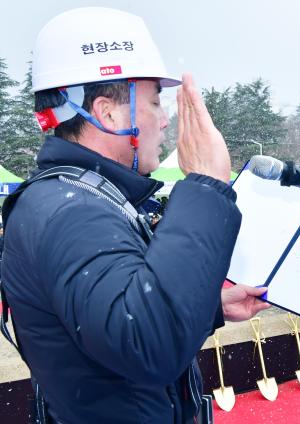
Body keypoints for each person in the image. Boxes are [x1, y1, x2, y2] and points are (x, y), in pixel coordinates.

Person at [1, 8, 268, 424]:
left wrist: (207, 308)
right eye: (155, 103)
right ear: (108, 113)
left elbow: (115, 319)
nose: (164, 120)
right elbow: (148, 342)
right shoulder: (73, 212)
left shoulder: (75, 196)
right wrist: (205, 186)